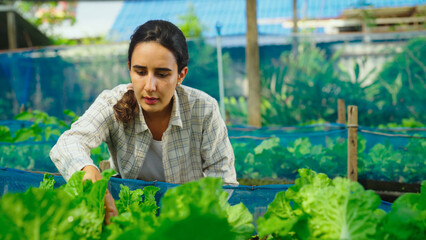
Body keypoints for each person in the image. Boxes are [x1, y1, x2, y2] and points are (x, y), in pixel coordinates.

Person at [49, 20, 238, 224]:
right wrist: (87, 170)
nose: (150, 86)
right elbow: (68, 143)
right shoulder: (112, 102)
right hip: (128, 221)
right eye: (140, 72)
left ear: (181, 75)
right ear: (129, 69)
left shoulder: (204, 109)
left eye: (162, 74)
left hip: (189, 221)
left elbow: (223, 180)